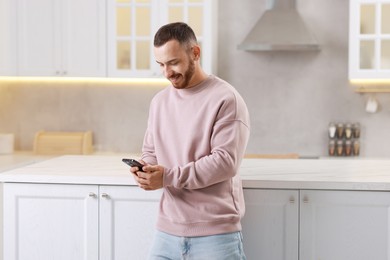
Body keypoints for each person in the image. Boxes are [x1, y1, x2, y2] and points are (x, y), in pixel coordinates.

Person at [130, 22, 250, 260]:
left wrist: (166, 177)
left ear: (195, 53)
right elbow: (151, 151)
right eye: (161, 64)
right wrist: (145, 170)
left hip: (216, 235)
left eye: (173, 62)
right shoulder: (159, 102)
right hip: (167, 232)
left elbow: (225, 163)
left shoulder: (226, 99)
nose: (167, 72)